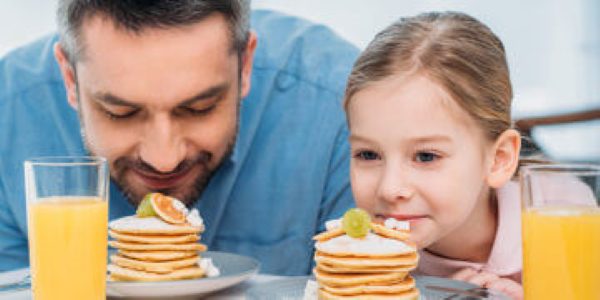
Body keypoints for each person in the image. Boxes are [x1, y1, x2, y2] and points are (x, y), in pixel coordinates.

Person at [0, 1, 358, 275]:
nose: (164, 159)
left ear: (245, 65)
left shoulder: (345, 105)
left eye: (200, 107)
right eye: (121, 113)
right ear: (69, 76)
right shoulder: (7, 115)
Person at [342, 12, 525, 298]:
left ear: (499, 159)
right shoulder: (358, 264)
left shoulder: (565, 222)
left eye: (426, 156)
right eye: (368, 154)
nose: (390, 189)